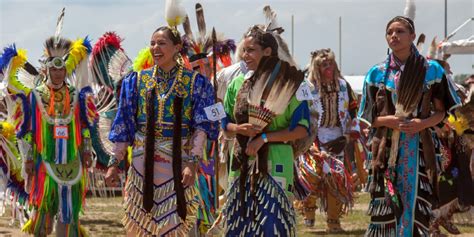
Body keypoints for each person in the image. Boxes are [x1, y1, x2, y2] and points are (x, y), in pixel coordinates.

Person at [106, 25, 218, 236]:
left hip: (178, 163)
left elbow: (202, 127)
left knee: (174, 224)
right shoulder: (136, 81)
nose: (155, 48)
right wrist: (114, 162)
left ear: (177, 47)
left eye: (162, 43)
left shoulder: (195, 83)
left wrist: (192, 162)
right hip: (141, 164)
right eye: (152, 43)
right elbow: (123, 125)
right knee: (139, 225)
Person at [358, 16, 461, 236]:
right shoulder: (376, 73)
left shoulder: (432, 70)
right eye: (390, 32)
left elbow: (442, 111)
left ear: (412, 35)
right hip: (385, 149)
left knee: (416, 204)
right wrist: (390, 121)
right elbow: (368, 116)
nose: (393, 36)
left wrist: (422, 123)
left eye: (400, 31)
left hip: (420, 147)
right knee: (387, 205)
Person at [219, 25, 309, 236]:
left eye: (251, 50)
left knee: (272, 223)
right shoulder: (238, 83)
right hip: (241, 160)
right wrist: (237, 128)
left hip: (276, 161)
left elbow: (301, 129)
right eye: (244, 49)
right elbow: (224, 122)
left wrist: (265, 138)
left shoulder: (290, 84)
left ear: (267, 51)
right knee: (240, 224)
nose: (244, 54)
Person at [5, 31, 96, 236]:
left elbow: (84, 127)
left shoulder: (76, 96)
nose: (58, 74)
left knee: (69, 213)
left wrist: (87, 151)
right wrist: (28, 159)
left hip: (72, 160)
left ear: (65, 71)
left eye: (61, 70)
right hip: (44, 161)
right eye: (54, 70)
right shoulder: (35, 96)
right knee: (44, 211)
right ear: (46, 70)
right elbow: (27, 131)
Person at [294, 48, 359, 232]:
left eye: (330, 63)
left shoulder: (343, 86)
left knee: (335, 177)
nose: (328, 67)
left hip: (338, 138)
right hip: (312, 138)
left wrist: (347, 136)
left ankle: (333, 222)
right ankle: (308, 209)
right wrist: (309, 141)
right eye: (324, 64)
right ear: (316, 67)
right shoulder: (307, 87)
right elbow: (300, 113)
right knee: (311, 175)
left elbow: (354, 110)